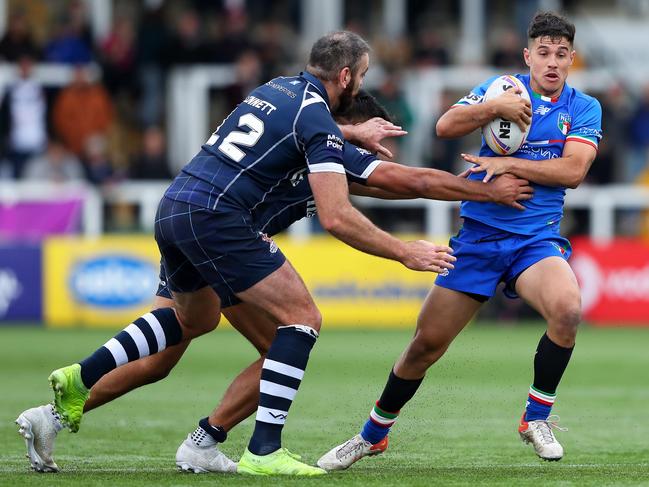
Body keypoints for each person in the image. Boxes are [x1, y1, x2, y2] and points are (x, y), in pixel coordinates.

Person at [16, 91, 533, 474]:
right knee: (288, 335)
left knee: (168, 352)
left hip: (198, 220)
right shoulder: (327, 144)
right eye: (368, 135)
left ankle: (54, 415)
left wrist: (446, 183)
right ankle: (217, 441)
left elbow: (394, 188)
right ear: (345, 122)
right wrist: (481, 192)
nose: (375, 152)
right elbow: (409, 181)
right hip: (230, 240)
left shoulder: (296, 124)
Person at [317, 11, 602, 470]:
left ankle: (536, 418)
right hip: (479, 240)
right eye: (544, 53)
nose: (552, 62)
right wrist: (495, 110)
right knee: (424, 346)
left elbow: (573, 170)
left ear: (572, 59)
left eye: (561, 54)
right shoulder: (501, 89)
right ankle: (372, 435)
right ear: (528, 56)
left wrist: (509, 166)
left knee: (567, 309)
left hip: (535, 242)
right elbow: (445, 126)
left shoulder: (584, 107)